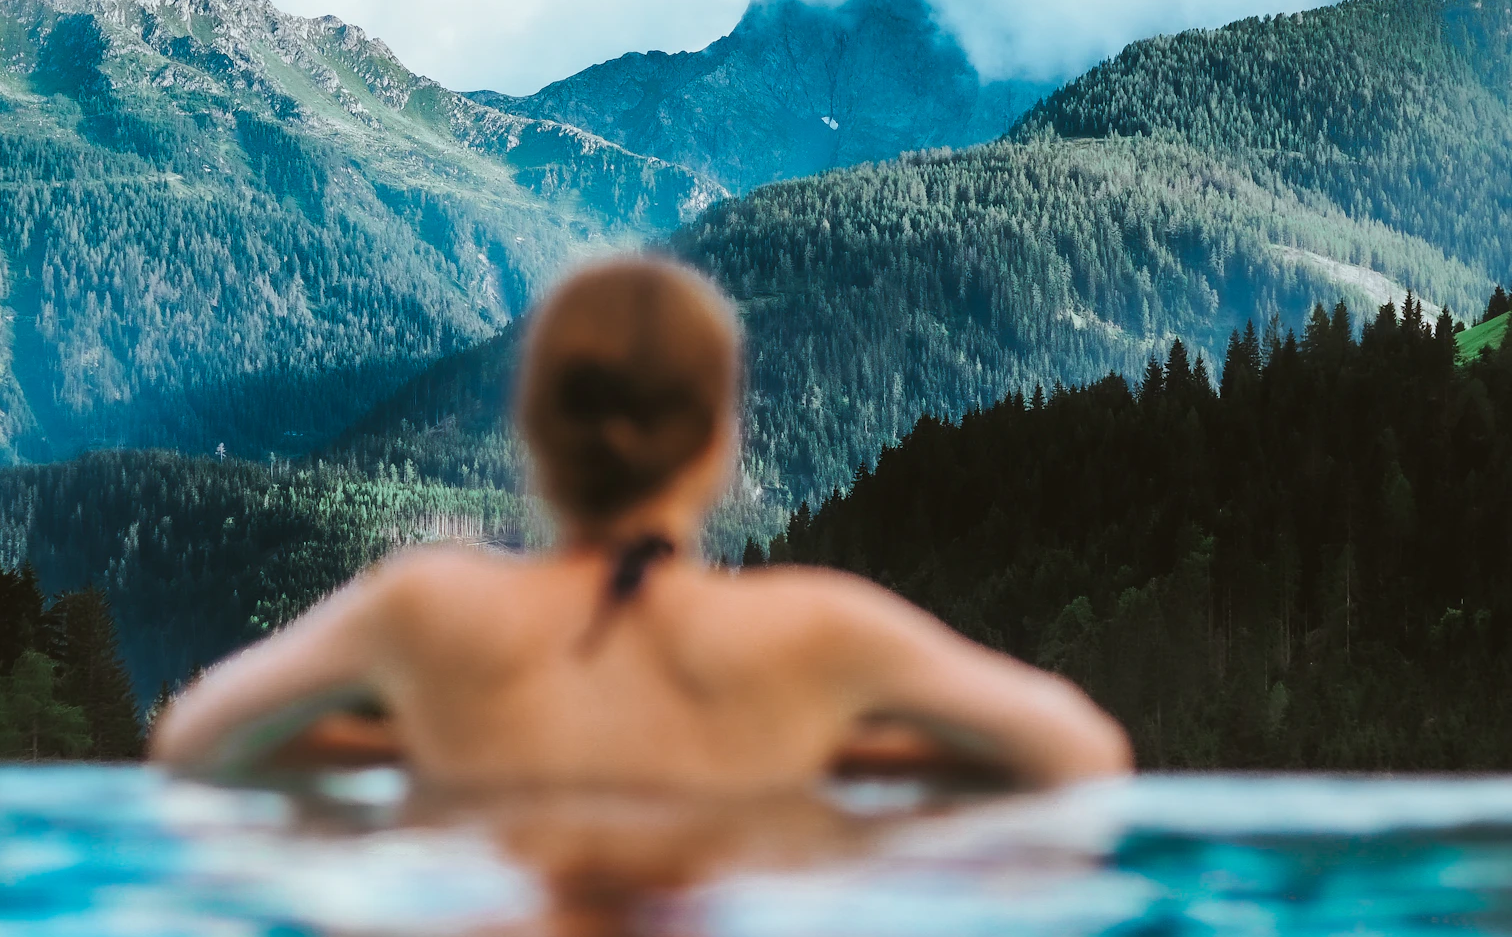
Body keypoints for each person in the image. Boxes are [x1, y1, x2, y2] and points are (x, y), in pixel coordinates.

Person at [149, 257, 1132, 790]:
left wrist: (420, 748)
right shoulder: (814, 631)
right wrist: (834, 754)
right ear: (717, 445)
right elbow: (1082, 753)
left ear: (533, 435)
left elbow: (194, 742)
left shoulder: (429, 606)